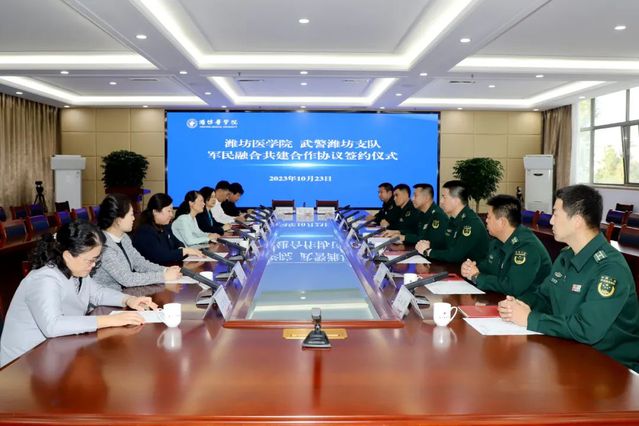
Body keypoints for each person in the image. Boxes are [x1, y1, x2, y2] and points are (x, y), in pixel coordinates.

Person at [498, 185, 639, 373]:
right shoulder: (567, 255)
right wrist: (518, 304)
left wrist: (530, 319)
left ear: (577, 221)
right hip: (572, 352)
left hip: (613, 368)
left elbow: (587, 329)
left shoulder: (610, 269)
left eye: (556, 214)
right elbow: (544, 297)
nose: (551, 221)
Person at [0, 221, 156, 367]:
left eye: (96, 260)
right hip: (21, 364)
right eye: (90, 260)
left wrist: (128, 299)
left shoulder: (77, 270)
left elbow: (98, 293)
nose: (93, 265)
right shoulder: (44, 279)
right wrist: (110, 320)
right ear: (68, 255)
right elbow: (53, 326)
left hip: (54, 352)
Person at [461, 194, 551, 297]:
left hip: (528, 304)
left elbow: (512, 287)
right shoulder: (498, 241)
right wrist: (470, 269)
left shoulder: (527, 247)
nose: (486, 220)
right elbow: (487, 268)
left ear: (502, 222)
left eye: (489, 217)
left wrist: (477, 277)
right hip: (505, 300)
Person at [92, 194, 182, 290]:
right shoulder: (104, 246)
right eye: (131, 215)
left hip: (125, 293)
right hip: (109, 296)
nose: (133, 218)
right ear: (118, 219)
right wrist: (163, 276)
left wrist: (165, 270)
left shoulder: (124, 238)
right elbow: (127, 279)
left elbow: (139, 263)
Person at [416, 180, 489, 262]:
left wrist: (428, 251)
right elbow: (445, 245)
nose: (441, 201)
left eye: (444, 197)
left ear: (456, 200)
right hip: (455, 267)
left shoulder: (471, 223)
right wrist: (429, 245)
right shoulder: (453, 220)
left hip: (471, 269)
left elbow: (454, 255)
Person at [133, 193, 204, 265]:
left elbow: (178, 243)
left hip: (170, 266)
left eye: (172, 211)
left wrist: (181, 249)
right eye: (168, 211)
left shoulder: (166, 227)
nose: (171, 215)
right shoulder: (145, 231)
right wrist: (184, 251)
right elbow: (160, 256)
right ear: (155, 212)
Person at [383, 183, 448, 247]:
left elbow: (430, 241)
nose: (412, 199)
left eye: (415, 196)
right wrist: (398, 232)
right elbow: (415, 232)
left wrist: (404, 237)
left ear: (426, 198)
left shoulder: (438, 215)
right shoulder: (422, 213)